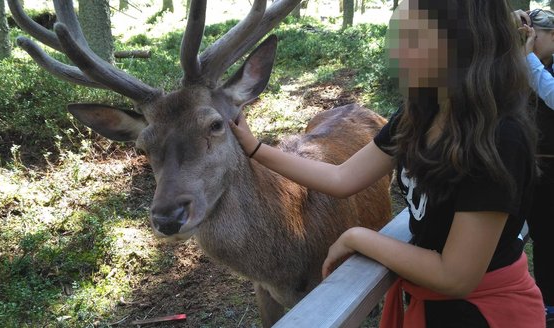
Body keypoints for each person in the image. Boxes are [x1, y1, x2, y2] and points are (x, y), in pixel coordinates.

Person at [229, 0, 545, 326]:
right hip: (432, 307)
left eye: (413, 39)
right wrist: (255, 149)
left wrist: (360, 236)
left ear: (461, 43)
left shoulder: (499, 138)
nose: (396, 54)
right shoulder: (418, 114)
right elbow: (342, 177)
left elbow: (455, 276)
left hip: (488, 313)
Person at [515, 8, 554, 326]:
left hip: (551, 172)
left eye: (532, 36)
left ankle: (548, 301)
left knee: (547, 237)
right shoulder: (521, 65)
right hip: (525, 167)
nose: (526, 42)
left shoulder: (534, 65)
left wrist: (527, 57)